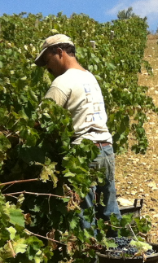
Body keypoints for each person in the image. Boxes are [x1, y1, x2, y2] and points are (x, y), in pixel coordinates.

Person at [34, 33, 120, 230]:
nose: (47, 68)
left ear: (59, 52)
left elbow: (41, 120)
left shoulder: (62, 82)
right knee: (110, 212)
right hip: (105, 149)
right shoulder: (90, 77)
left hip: (83, 154)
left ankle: (92, 251)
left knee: (84, 217)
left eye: (47, 61)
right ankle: (122, 247)